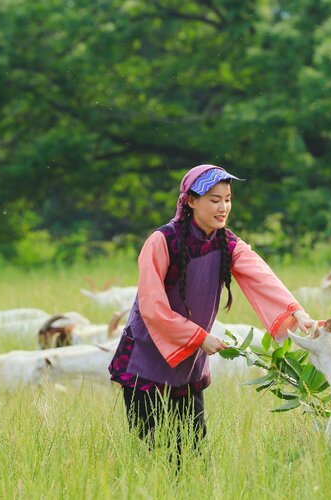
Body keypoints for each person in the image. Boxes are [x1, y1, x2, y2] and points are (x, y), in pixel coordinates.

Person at [108, 164, 315, 453]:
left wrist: (297, 313)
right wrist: (200, 337)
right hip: (147, 360)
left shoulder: (226, 242)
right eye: (214, 200)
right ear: (190, 201)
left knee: (192, 454)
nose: (223, 207)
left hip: (188, 363)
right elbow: (151, 306)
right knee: (150, 452)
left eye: (228, 199)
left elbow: (261, 276)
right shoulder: (162, 241)